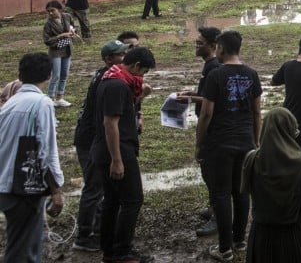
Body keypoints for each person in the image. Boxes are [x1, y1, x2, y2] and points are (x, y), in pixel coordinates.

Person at [196, 31, 262, 261]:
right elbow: (256, 112)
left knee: (221, 194)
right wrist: (256, 140)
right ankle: (239, 240)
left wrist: (199, 143)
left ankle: (224, 249)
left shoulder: (216, 75)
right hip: (245, 141)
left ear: (221, 48)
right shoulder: (252, 74)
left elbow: (206, 114)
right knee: (242, 192)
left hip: (220, 142)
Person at [92, 47, 157, 263]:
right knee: (133, 200)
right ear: (136, 66)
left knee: (112, 201)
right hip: (117, 151)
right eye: (143, 72)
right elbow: (110, 123)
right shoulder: (117, 85)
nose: (142, 77)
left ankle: (109, 250)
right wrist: (117, 160)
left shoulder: (110, 77)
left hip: (106, 150)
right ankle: (122, 251)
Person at [0, 52, 65, 263]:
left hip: (7, 184)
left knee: (22, 242)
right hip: (22, 187)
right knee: (24, 249)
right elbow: (46, 149)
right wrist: (56, 190)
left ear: (20, 74)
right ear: (49, 76)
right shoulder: (42, 103)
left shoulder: (10, 103)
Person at [241, 108, 301, 263]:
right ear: (290, 131)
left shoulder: (251, 159)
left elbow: (245, 189)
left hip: (263, 234)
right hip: (296, 233)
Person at [72, 39, 131, 252]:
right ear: (108, 59)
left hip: (91, 138)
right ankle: (84, 235)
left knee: (99, 188)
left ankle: (98, 228)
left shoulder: (106, 74)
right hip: (90, 140)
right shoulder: (106, 80)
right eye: (121, 55)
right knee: (94, 188)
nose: (125, 58)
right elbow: (108, 120)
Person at [173, 27, 221, 238]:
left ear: (213, 46)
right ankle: (213, 208)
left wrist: (192, 99)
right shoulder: (208, 66)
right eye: (196, 42)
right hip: (209, 125)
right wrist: (192, 94)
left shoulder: (214, 68)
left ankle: (218, 217)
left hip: (213, 128)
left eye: (200, 43)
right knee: (207, 171)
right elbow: (206, 94)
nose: (196, 46)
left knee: (212, 173)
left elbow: (214, 100)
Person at [42, 0, 77, 107]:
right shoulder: (48, 24)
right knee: (55, 75)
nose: (51, 13)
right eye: (49, 11)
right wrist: (60, 36)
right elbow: (47, 40)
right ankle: (50, 97)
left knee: (64, 74)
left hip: (67, 49)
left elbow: (73, 26)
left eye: (53, 10)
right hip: (55, 51)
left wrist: (73, 31)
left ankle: (59, 97)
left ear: (59, 9)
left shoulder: (67, 16)